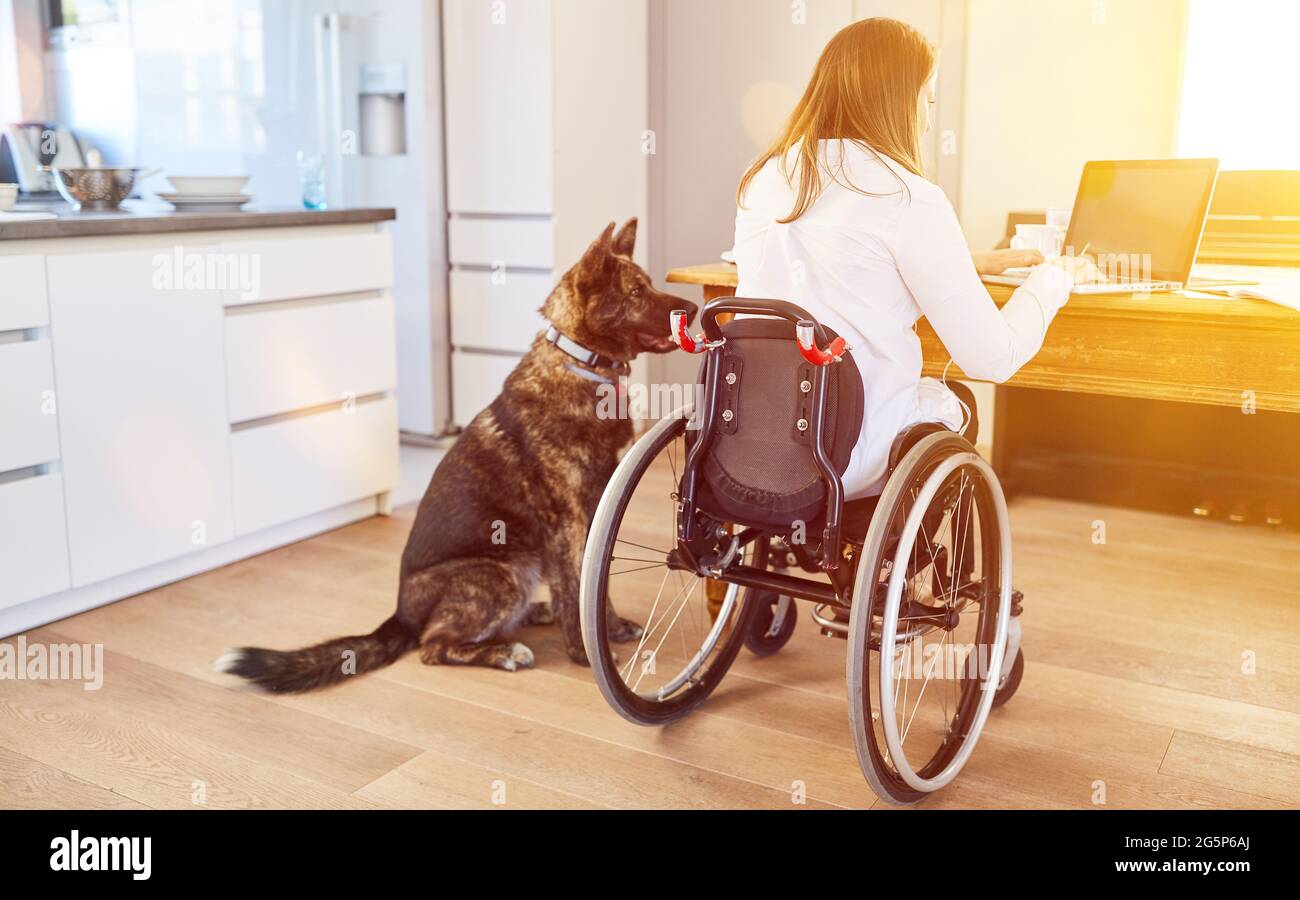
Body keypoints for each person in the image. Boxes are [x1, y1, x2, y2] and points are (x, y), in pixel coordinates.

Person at [733, 16, 1098, 499]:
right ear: (899, 102)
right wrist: (1052, 279)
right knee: (959, 403)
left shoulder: (766, 178)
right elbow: (993, 359)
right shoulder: (909, 197)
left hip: (750, 447)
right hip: (851, 453)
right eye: (926, 100)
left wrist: (964, 261)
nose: (927, 120)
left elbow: (841, 259)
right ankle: (925, 569)